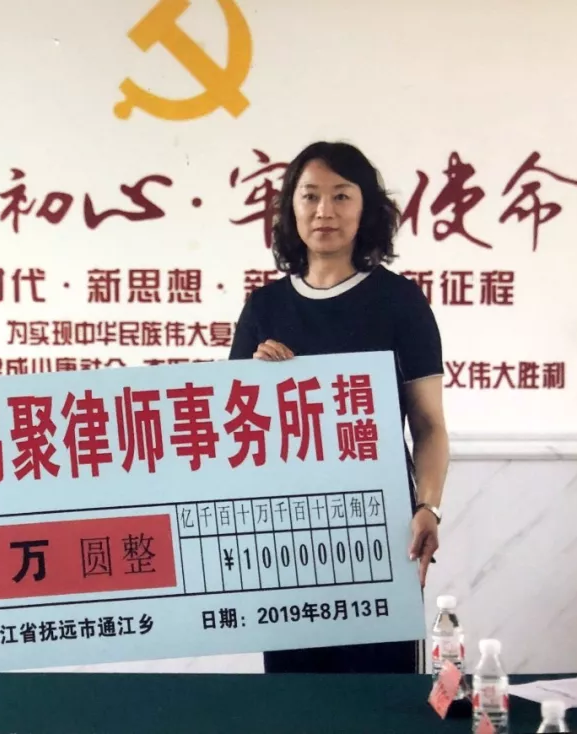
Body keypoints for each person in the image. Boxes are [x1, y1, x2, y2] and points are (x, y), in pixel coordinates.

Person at [228, 141, 449, 674]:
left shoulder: (399, 302)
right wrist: (255, 386)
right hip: (285, 536)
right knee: (294, 696)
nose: (324, 211)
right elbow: (230, 430)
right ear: (290, 208)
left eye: (341, 196)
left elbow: (429, 426)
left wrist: (428, 507)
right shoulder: (264, 307)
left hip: (379, 532)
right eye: (310, 196)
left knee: (380, 695)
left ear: (366, 208)